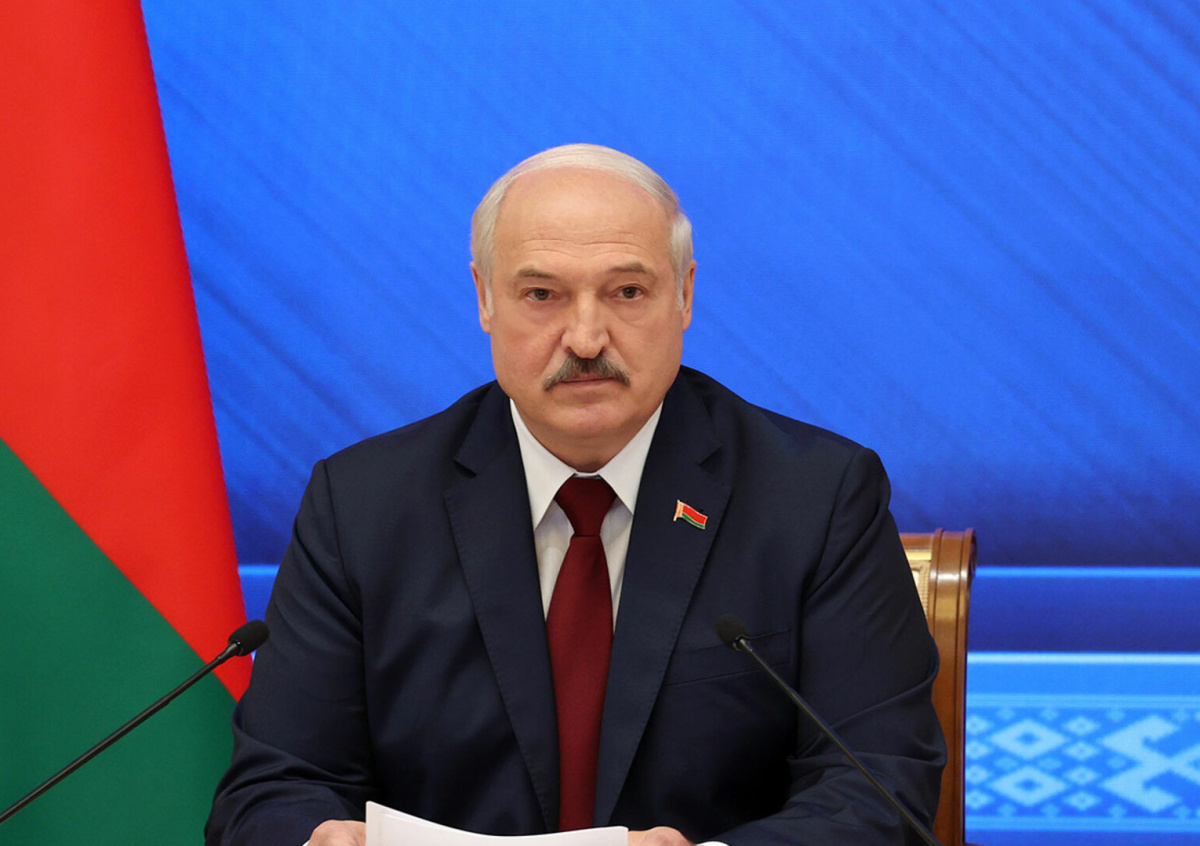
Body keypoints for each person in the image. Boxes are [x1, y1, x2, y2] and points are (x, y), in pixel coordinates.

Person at [206, 144, 945, 846]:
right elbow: (275, 786)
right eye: (542, 295)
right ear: (484, 299)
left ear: (685, 295)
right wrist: (316, 835)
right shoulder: (362, 506)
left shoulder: (816, 499)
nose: (587, 338)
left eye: (627, 292)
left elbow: (878, 785)